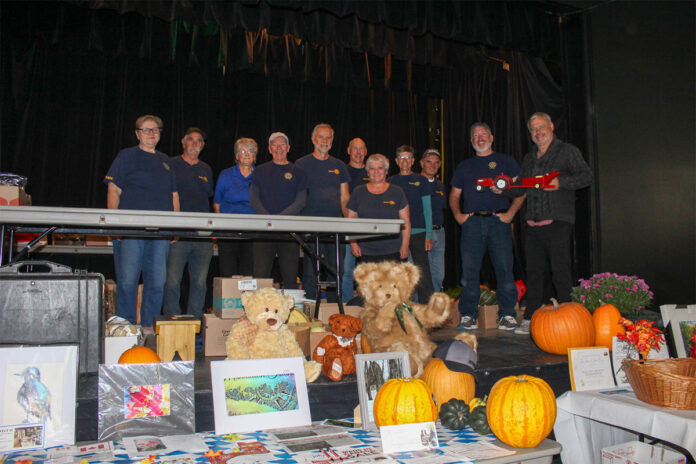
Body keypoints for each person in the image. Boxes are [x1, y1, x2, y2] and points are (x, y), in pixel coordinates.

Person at [513, 112, 592, 335]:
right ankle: (531, 318)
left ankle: (569, 318)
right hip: (532, 224)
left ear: (551, 127)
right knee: (534, 273)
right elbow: (521, 186)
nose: (538, 132)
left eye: (541, 127)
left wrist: (561, 182)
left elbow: (586, 176)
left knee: (560, 271)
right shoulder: (529, 158)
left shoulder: (567, 151)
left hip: (558, 222)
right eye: (533, 129)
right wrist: (501, 188)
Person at [104, 114, 178, 329]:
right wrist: (114, 223)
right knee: (128, 282)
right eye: (146, 129)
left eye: (155, 129)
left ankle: (149, 330)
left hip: (160, 233)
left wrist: (176, 226)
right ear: (137, 134)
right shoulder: (126, 156)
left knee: (157, 283)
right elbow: (113, 190)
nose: (151, 133)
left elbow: (174, 195)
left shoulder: (166, 161)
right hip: (131, 231)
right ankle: (125, 330)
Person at [449, 122, 524, 331]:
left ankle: (507, 315)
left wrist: (510, 214)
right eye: (475, 135)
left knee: (504, 269)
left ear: (491, 137)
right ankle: (468, 315)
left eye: (483, 134)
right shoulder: (465, 166)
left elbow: (521, 190)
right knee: (469, 271)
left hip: (498, 222)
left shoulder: (505, 161)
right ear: (471, 140)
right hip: (472, 224)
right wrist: (458, 216)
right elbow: (454, 195)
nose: (480, 138)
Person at [162, 127, 214, 319]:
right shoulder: (171, 164)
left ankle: (195, 322)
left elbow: (209, 198)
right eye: (191, 139)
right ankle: (172, 320)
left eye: (199, 140)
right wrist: (170, 229)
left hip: (202, 235)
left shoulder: (206, 168)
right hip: (178, 234)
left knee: (200, 282)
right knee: (172, 281)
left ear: (203, 146)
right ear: (183, 142)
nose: (195, 143)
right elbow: (164, 196)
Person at [295, 123, 351, 302]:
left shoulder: (339, 165)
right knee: (311, 272)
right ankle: (311, 313)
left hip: (335, 228)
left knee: (336, 271)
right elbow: (296, 196)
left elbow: (345, 197)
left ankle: (336, 311)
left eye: (328, 138)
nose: (324, 141)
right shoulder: (301, 164)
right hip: (310, 228)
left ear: (332, 141)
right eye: (321, 137)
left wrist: (350, 222)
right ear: (313, 139)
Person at [249, 132, 307, 289]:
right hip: (264, 230)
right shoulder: (259, 171)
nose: (278, 148)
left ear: (288, 148)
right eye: (275, 145)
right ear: (269, 149)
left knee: (290, 277)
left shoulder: (298, 171)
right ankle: (260, 306)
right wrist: (269, 219)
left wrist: (280, 219)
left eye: (282, 144)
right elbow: (253, 199)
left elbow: (301, 201)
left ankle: (290, 306)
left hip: (289, 232)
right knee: (260, 276)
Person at [388, 145, 434, 304]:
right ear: (396, 161)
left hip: (419, 232)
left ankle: (427, 308)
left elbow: (427, 210)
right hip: (397, 234)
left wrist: (429, 235)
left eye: (408, 157)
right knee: (397, 272)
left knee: (423, 271)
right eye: (401, 158)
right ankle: (398, 306)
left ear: (413, 161)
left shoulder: (421, 181)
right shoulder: (390, 181)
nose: (405, 161)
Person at [346, 154, 410, 262]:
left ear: (386, 171)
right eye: (372, 168)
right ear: (367, 172)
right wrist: (353, 244)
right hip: (365, 251)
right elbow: (350, 221)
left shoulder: (397, 191)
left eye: (380, 168)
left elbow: (406, 221)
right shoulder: (358, 191)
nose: (376, 172)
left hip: (393, 250)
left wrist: (405, 245)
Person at [214, 137, 257, 276]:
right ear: (237, 156)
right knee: (227, 272)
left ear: (255, 156)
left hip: (252, 230)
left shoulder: (261, 176)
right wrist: (221, 227)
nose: (247, 154)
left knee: (248, 273)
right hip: (228, 231)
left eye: (251, 151)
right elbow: (217, 204)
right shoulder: (225, 175)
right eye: (242, 151)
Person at [341, 137, 369, 302]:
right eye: (355, 148)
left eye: (361, 149)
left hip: (370, 230)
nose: (358, 152)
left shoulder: (372, 171)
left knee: (370, 271)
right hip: (348, 227)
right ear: (348, 151)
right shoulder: (342, 171)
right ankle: (346, 305)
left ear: (365, 152)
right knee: (347, 270)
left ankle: (369, 305)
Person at [420, 148, 447, 292]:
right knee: (421, 273)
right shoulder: (415, 183)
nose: (433, 165)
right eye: (429, 161)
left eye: (436, 162)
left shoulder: (440, 185)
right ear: (421, 163)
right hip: (421, 232)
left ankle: (435, 302)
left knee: (438, 274)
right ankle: (417, 303)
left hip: (439, 232)